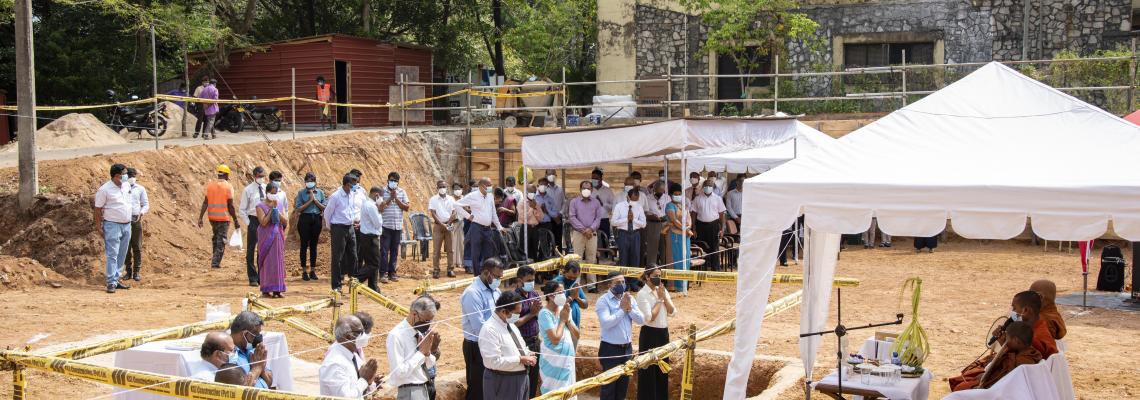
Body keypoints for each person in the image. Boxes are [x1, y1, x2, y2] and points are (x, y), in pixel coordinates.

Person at [949, 290, 1059, 391]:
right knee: (971, 372)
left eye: (1014, 308)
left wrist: (1005, 345)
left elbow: (1019, 367)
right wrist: (1005, 341)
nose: (1013, 311)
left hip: (1015, 382)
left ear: (1025, 310)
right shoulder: (1032, 327)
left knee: (963, 385)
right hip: (1011, 371)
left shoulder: (1036, 337)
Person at [479, 290, 538, 400]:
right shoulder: (489, 330)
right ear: (504, 311)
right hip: (503, 382)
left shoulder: (510, 325)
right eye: (516, 313)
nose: (518, 316)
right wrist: (520, 359)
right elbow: (493, 362)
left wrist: (528, 354)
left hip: (520, 379)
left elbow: (521, 345)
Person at [595, 271, 645, 400]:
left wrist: (629, 309)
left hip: (627, 350)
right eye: (618, 282)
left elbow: (641, 320)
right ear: (609, 285)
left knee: (623, 387)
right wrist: (622, 310)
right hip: (610, 349)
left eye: (623, 282)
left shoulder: (629, 299)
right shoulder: (603, 301)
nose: (622, 285)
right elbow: (606, 323)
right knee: (609, 389)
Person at [461, 257, 504, 400]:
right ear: (486, 273)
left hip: (493, 343)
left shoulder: (496, 290)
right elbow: (479, 327)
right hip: (476, 346)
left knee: (491, 385)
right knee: (477, 388)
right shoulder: (473, 293)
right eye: (497, 277)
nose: (499, 280)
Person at [387, 296, 442, 400]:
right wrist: (421, 353)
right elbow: (400, 372)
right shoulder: (396, 335)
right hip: (410, 391)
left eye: (430, 321)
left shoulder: (419, 332)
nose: (428, 324)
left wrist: (428, 353)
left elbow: (429, 365)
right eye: (425, 320)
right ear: (414, 314)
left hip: (423, 388)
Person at [635, 268, 675, 400]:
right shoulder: (642, 294)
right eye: (655, 275)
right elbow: (649, 317)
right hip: (649, 335)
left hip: (663, 334)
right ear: (647, 277)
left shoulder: (662, 290)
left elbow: (673, 312)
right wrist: (659, 300)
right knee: (647, 372)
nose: (658, 278)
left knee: (662, 369)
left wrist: (664, 298)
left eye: (660, 275)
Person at [320, 315, 382, 397]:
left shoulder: (353, 356)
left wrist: (371, 381)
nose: (364, 335)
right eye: (361, 332)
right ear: (348, 336)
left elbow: (359, 383)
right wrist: (364, 380)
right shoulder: (334, 364)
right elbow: (346, 397)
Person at [95, 163, 134, 294]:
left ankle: (116, 280)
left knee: (122, 255)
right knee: (112, 254)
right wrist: (98, 226)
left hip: (127, 225)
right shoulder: (104, 190)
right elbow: (97, 209)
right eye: (124, 174)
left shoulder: (126, 185)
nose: (126, 176)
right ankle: (111, 282)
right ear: (117, 176)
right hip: (112, 225)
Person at [456, 178, 506, 275]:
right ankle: (477, 276)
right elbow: (457, 205)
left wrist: (500, 227)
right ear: (481, 186)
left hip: (487, 229)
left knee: (489, 253)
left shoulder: (490, 196)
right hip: (476, 228)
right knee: (476, 253)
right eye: (488, 185)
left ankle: (487, 275)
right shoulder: (472, 196)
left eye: (491, 185)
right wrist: (468, 216)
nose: (490, 187)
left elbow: (493, 213)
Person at [537, 280, 579, 396]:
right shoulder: (544, 314)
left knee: (568, 393)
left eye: (563, 292)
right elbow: (555, 339)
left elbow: (577, 334)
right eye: (559, 292)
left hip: (567, 362)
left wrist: (568, 320)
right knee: (554, 395)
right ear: (550, 296)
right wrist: (562, 320)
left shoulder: (563, 309)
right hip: (552, 364)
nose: (563, 295)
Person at [198, 165, 240, 269]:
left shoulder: (210, 185)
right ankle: (215, 263)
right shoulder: (228, 186)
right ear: (226, 174)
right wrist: (235, 219)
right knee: (221, 240)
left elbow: (205, 202)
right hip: (223, 218)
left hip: (212, 218)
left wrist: (200, 218)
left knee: (216, 238)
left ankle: (215, 258)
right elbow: (230, 206)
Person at [324, 174, 361, 292]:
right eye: (352, 185)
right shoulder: (335, 196)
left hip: (350, 227)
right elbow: (327, 213)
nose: (354, 187)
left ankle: (353, 284)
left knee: (354, 256)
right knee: (337, 258)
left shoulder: (352, 195)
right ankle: (336, 286)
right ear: (346, 184)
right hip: (338, 228)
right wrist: (331, 227)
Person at [979, 321, 1043, 389]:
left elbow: (998, 382)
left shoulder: (1020, 363)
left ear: (1015, 340)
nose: (1006, 341)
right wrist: (1002, 343)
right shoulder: (1029, 352)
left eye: (1007, 338)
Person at [511, 266, 543, 397]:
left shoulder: (534, 294)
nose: (531, 283)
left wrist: (538, 311)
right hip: (521, 344)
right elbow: (513, 323)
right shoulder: (514, 298)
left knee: (534, 378)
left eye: (533, 280)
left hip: (535, 341)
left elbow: (539, 313)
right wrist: (531, 314)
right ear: (519, 281)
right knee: (522, 379)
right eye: (528, 280)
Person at [569, 180, 604, 289]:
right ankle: (576, 284)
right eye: (584, 188)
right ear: (580, 189)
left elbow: (598, 218)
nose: (586, 190)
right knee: (577, 259)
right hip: (578, 233)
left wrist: (591, 229)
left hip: (592, 234)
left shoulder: (596, 203)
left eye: (588, 188)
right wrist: (584, 230)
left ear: (592, 190)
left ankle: (591, 285)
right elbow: (572, 217)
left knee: (591, 258)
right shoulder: (574, 202)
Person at [256, 182, 288, 298]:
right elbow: (263, 222)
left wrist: (277, 211)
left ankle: (277, 289)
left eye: (276, 193)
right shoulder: (260, 206)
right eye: (272, 193)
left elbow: (285, 221)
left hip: (277, 236)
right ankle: (266, 289)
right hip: (266, 236)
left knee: (277, 261)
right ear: (267, 193)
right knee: (267, 262)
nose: (274, 195)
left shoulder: (280, 204)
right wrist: (271, 210)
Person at [239, 167, 269, 287]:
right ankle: (252, 277)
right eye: (260, 176)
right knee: (251, 249)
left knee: (263, 249)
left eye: (263, 176)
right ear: (255, 176)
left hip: (265, 221)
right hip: (253, 219)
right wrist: (249, 223)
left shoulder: (267, 188)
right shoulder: (248, 190)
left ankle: (262, 276)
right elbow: (242, 210)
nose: (262, 178)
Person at [379, 172, 411, 283]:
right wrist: (389, 199)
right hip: (385, 226)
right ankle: (382, 273)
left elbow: (406, 207)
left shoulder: (402, 192)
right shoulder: (382, 191)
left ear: (398, 182)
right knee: (384, 250)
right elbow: (380, 208)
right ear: (388, 180)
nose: (393, 182)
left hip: (397, 227)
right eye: (392, 180)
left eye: (396, 181)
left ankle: (392, 272)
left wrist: (396, 199)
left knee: (394, 251)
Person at [690, 179, 726, 272]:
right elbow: (693, 214)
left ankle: (715, 269)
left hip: (714, 225)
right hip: (700, 225)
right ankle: (704, 268)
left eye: (710, 186)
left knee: (714, 247)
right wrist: (693, 228)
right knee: (702, 246)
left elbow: (722, 214)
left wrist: (722, 228)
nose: (707, 188)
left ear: (713, 187)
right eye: (706, 186)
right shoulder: (697, 198)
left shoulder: (718, 198)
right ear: (703, 187)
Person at [295, 172, 326, 281]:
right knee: (304, 245)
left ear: (315, 182)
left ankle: (313, 270)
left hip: (317, 219)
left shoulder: (321, 193)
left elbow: (324, 207)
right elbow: (299, 208)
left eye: (311, 181)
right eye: (307, 181)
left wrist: (315, 200)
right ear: (305, 182)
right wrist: (310, 200)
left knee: (314, 245)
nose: (309, 183)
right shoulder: (301, 193)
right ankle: (304, 271)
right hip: (304, 219)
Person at [229, 311, 273, 388]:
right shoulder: (230, 355)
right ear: (243, 333)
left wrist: (261, 369)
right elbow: (241, 390)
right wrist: (257, 368)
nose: (258, 337)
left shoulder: (254, 350)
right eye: (255, 333)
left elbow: (269, 382)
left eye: (259, 333)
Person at [665, 183, 694, 292]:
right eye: (675, 194)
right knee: (675, 258)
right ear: (671, 195)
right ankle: (674, 285)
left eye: (679, 194)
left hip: (685, 235)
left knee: (685, 258)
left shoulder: (683, 205)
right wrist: (685, 229)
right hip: (674, 235)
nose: (677, 195)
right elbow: (674, 220)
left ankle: (684, 283)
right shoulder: (669, 206)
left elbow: (689, 218)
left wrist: (688, 227)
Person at [122, 167, 149, 282]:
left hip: (136, 219)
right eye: (129, 176)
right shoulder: (121, 188)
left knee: (137, 247)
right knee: (126, 247)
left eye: (133, 176)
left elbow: (146, 204)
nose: (131, 178)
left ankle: (136, 271)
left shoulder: (140, 189)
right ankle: (128, 271)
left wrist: (141, 213)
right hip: (124, 220)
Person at [428, 180, 459, 279]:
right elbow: (432, 213)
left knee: (451, 250)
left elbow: (454, 213)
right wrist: (442, 224)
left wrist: (448, 223)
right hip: (438, 226)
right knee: (436, 250)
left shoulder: (451, 199)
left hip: (449, 225)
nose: (442, 188)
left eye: (444, 187)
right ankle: (436, 270)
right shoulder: (433, 199)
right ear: (437, 188)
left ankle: (450, 269)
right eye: (440, 187)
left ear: (447, 188)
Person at [356, 186, 384, 291]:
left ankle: (373, 287)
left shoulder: (367, 204)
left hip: (366, 236)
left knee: (370, 263)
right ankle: (356, 280)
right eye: (381, 197)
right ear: (377, 195)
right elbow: (378, 224)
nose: (382, 200)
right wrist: (380, 211)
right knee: (374, 263)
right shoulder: (372, 206)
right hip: (371, 238)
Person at [612, 188, 646, 268]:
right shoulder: (619, 206)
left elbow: (644, 224)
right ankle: (624, 279)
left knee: (635, 258)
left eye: (636, 200)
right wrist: (626, 219)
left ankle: (634, 280)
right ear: (628, 197)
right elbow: (613, 222)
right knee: (623, 258)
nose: (634, 202)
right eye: (633, 199)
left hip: (636, 234)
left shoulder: (639, 207)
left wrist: (633, 220)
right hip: (623, 234)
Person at [552, 261, 589, 328]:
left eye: (575, 278)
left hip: (574, 324)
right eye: (569, 277)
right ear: (564, 272)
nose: (572, 279)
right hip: (561, 324)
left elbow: (585, 305)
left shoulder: (575, 283)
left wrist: (577, 297)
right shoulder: (555, 283)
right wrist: (571, 297)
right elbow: (554, 305)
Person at [643, 180, 668, 268]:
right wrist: (650, 216)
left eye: (661, 191)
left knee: (664, 249)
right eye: (657, 190)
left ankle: (664, 270)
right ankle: (651, 270)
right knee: (652, 249)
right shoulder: (647, 198)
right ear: (653, 189)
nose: (659, 192)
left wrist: (666, 216)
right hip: (652, 225)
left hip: (665, 225)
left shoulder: (667, 198)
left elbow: (670, 211)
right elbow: (644, 212)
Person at [517, 185, 544, 260]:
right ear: (526, 192)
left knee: (534, 250)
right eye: (531, 192)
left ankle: (534, 269)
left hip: (535, 229)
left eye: (534, 192)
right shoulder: (521, 203)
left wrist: (536, 207)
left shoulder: (536, 203)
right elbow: (523, 218)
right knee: (524, 250)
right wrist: (532, 208)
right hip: (526, 228)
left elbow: (541, 217)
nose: (533, 193)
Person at [541, 170, 566, 252]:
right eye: (549, 174)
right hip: (547, 219)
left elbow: (564, 203)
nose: (551, 175)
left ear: (556, 175)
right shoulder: (543, 189)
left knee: (558, 240)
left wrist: (560, 213)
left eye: (553, 174)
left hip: (558, 218)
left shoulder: (560, 189)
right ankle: (548, 258)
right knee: (547, 239)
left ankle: (558, 258)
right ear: (546, 175)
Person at [590, 169, 616, 244]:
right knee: (592, 242)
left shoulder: (608, 191)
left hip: (604, 220)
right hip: (591, 220)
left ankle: (605, 255)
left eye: (596, 178)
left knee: (605, 241)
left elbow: (613, 206)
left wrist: (603, 204)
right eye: (592, 178)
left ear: (601, 179)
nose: (594, 180)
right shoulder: (590, 190)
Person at [450, 183, 468, 275]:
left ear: (462, 189)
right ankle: (453, 262)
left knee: (462, 243)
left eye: (459, 188)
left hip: (462, 223)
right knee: (453, 243)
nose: (457, 190)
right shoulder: (450, 199)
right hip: (453, 223)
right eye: (455, 188)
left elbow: (468, 210)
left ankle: (461, 262)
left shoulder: (465, 198)